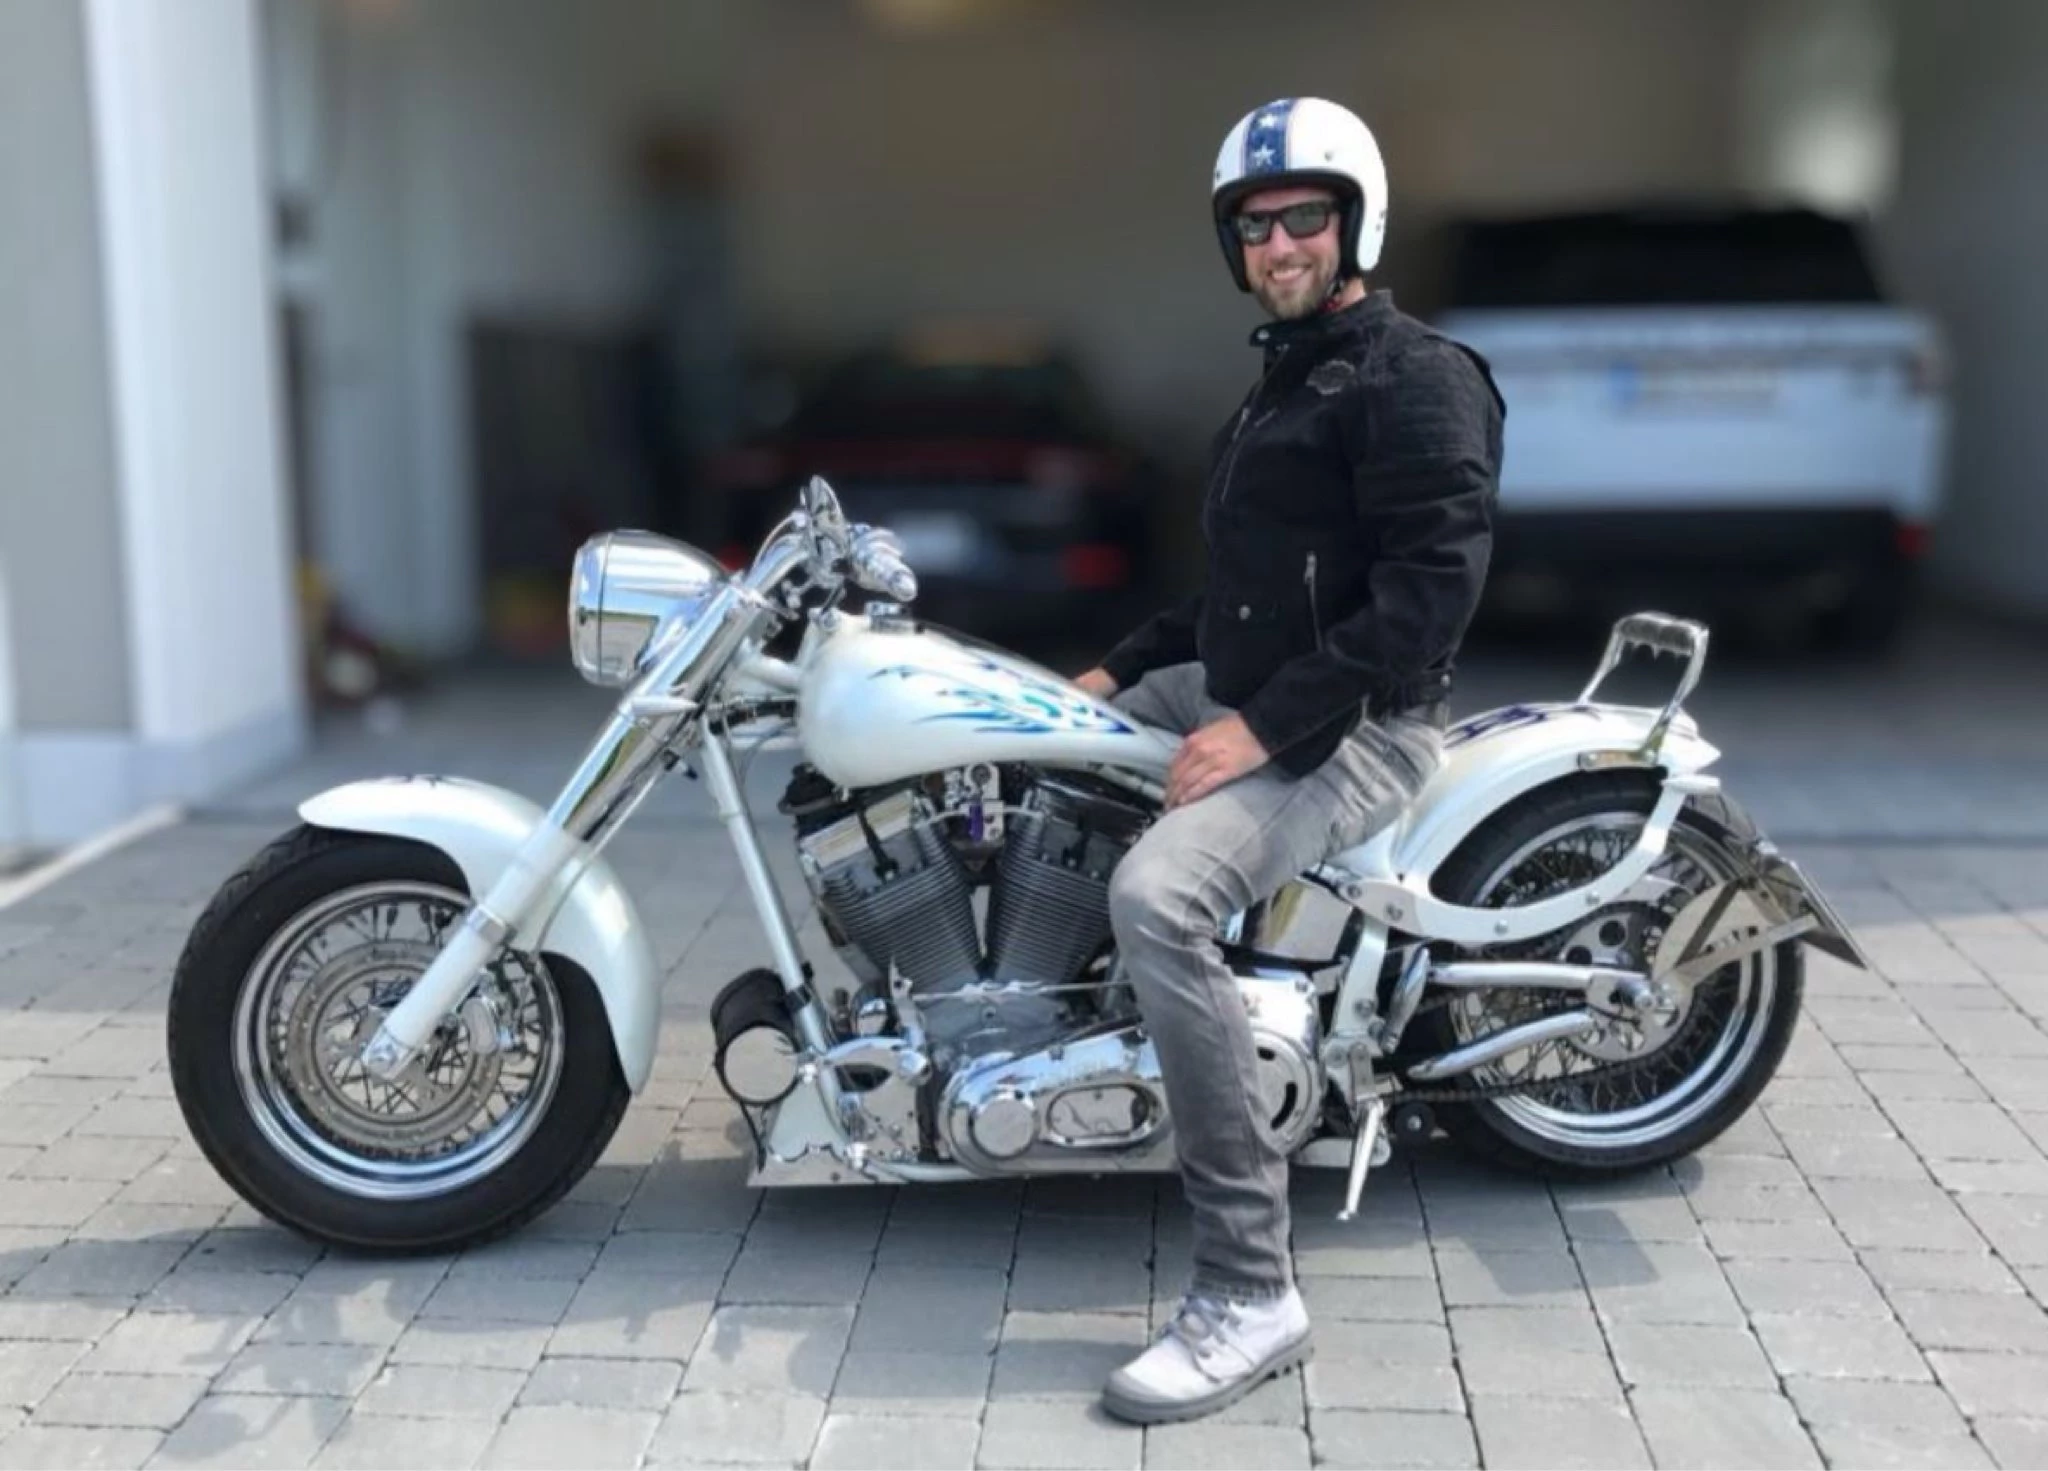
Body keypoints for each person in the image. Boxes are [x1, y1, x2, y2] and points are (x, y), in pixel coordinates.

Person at [1075, 96, 1505, 1425]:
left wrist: (1257, 732)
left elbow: (1427, 603)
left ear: (1354, 223)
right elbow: (1240, 598)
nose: (1280, 245)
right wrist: (1105, 675)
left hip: (1360, 726)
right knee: (1025, 735)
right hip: (1255, 687)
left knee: (1158, 897)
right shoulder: (1290, 378)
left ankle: (1250, 1288)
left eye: (1304, 218)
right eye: (1256, 226)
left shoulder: (1414, 377)